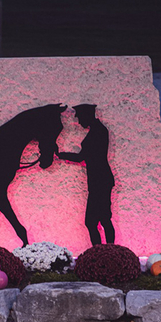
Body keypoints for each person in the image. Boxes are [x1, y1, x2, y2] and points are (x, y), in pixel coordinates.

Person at [56, 104, 115, 245]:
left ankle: (106, 251)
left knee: (98, 220)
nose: (78, 120)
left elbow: (81, 157)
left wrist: (61, 154)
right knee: (98, 220)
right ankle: (104, 251)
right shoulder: (97, 130)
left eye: (80, 117)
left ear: (87, 115)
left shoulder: (98, 132)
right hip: (99, 181)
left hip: (100, 181)